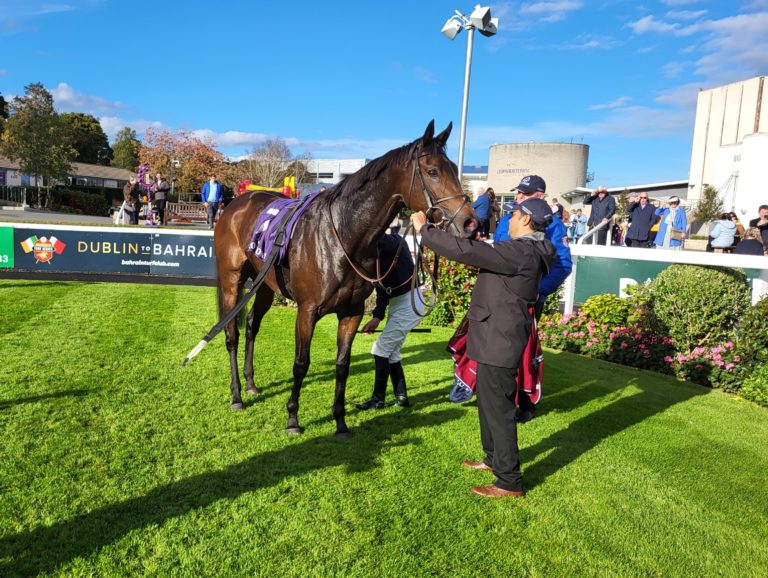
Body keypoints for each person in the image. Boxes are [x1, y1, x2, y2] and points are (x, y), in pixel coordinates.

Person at [412, 198, 556, 498]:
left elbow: (468, 252)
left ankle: (509, 481)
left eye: (514, 214)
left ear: (527, 221)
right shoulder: (527, 250)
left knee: (500, 408)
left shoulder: (521, 251)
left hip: (499, 339)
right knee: (489, 403)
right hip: (494, 336)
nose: (510, 219)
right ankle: (493, 459)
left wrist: (426, 231)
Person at [355, 226, 422, 410]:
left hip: (410, 302)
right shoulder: (380, 254)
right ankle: (401, 397)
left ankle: (378, 399)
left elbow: (382, 240)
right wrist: (377, 317)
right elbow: (382, 289)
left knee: (380, 349)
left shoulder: (395, 242)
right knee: (392, 353)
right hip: (400, 303)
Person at [495, 175, 572, 320]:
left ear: (541, 196)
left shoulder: (554, 225)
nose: (521, 196)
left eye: (527, 193)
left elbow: (563, 265)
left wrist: (537, 291)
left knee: (519, 341)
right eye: (519, 192)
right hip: (497, 291)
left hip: (526, 298)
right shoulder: (507, 218)